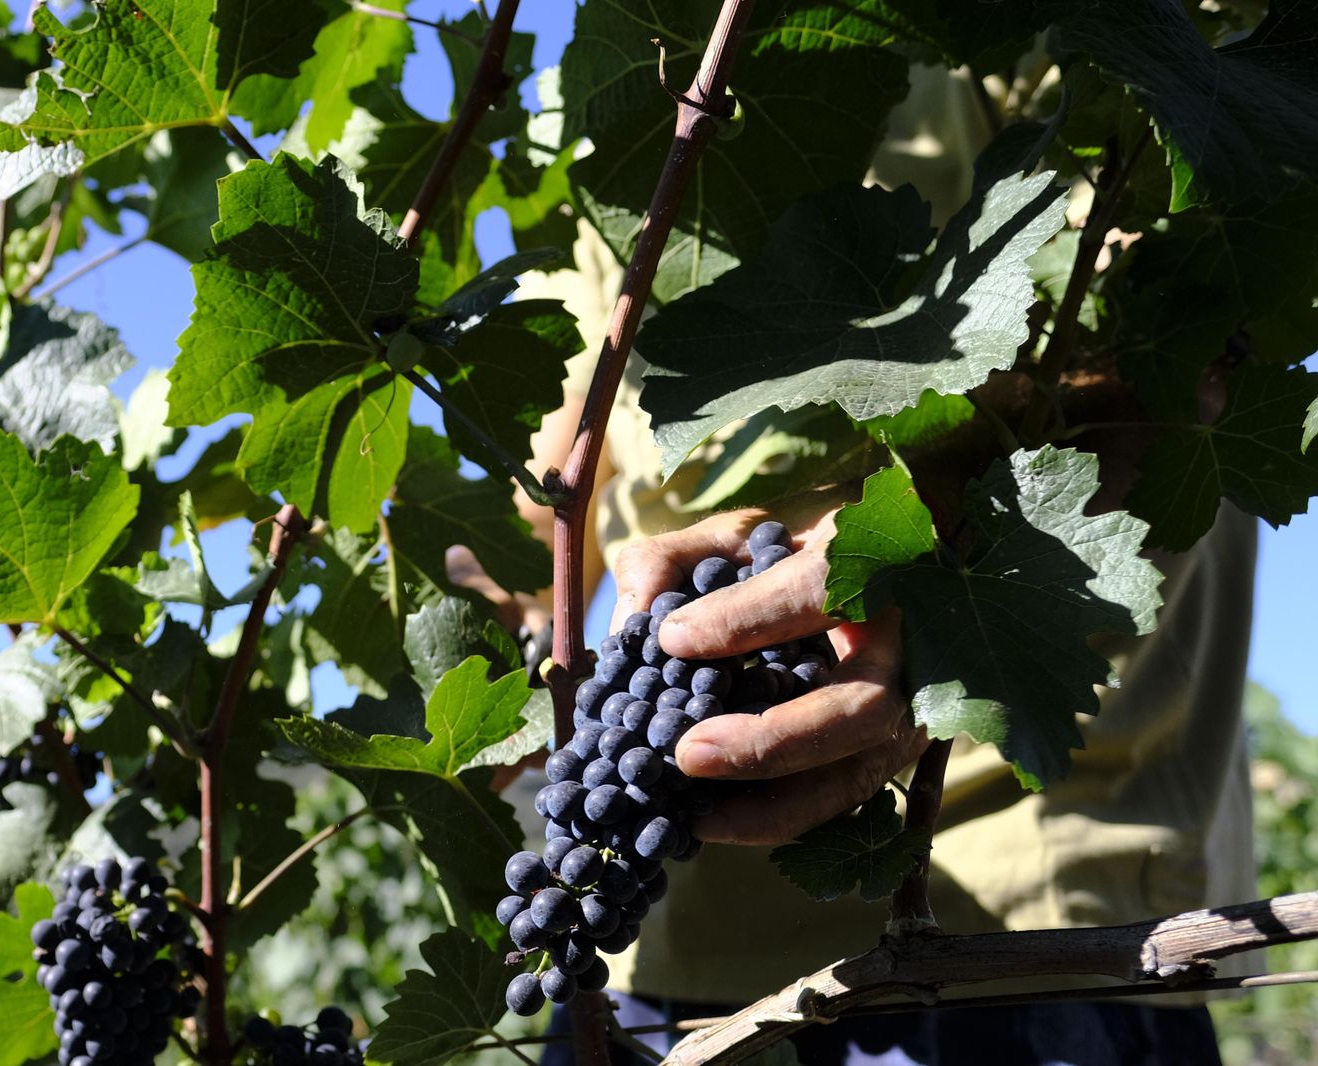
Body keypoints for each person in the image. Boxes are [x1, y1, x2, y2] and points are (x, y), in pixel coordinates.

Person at [479, 64, 1260, 1066]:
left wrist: (930, 548)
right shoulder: (611, 110)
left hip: (1026, 942)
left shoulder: (1012, 41)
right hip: (657, 966)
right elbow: (542, 511)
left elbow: (1183, 335)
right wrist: (492, 654)